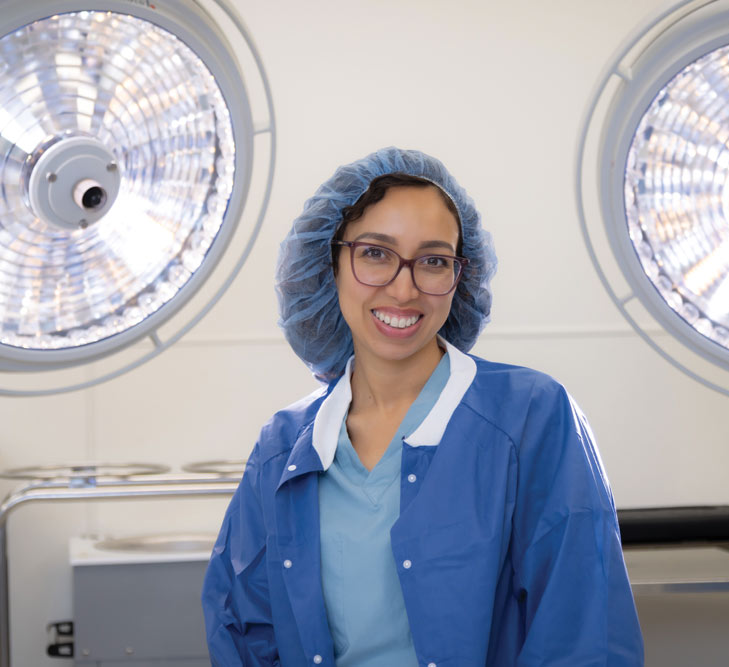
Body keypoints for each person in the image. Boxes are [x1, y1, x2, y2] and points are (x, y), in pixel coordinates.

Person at [202, 147, 644, 666]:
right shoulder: (285, 448)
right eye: (375, 253)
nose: (404, 287)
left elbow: (583, 634)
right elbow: (245, 633)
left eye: (433, 261)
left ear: (460, 276)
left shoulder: (532, 419)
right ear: (330, 264)